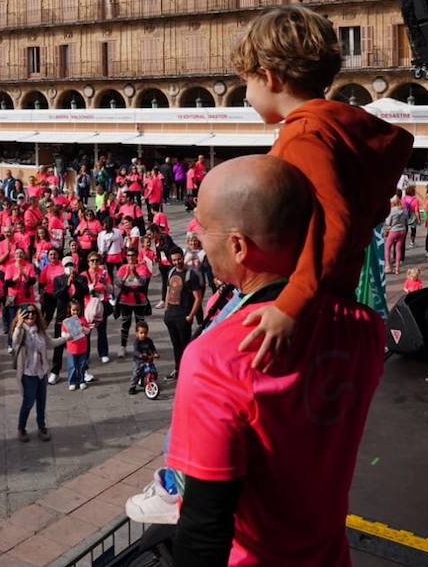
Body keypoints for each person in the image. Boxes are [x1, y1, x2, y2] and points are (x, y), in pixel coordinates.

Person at [163, 154, 384, 565]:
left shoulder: (216, 359)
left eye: (203, 229)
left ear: (238, 246)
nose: (198, 239)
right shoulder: (365, 328)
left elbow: (204, 525)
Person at [229, 6, 412, 370]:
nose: (245, 95)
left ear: (269, 77)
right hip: (333, 293)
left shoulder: (303, 136)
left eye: (245, 82)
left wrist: (291, 304)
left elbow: (334, 224)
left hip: (306, 302)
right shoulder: (337, 128)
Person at [11, 305, 66, 441]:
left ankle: (42, 427)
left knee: (42, 402)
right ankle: (21, 428)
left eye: (33, 312)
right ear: (21, 315)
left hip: (42, 372)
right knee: (28, 402)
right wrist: (18, 324)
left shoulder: (40, 330)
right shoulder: (21, 331)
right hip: (28, 373)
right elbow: (15, 340)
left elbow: (51, 343)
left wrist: (67, 337)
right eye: (27, 313)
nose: (30, 315)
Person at [160, 250, 202, 380]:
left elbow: (198, 298)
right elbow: (168, 291)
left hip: (183, 316)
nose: (177, 262)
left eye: (179, 259)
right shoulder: (171, 271)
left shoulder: (190, 274)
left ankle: (187, 371)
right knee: (175, 345)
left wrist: (190, 316)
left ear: (183, 258)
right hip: (171, 315)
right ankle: (178, 369)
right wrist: (166, 310)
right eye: (174, 260)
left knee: (185, 346)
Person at [127, 322, 159, 395]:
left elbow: (153, 348)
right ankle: (132, 387)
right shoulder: (136, 342)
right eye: (141, 333)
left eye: (145, 333)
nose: (143, 335)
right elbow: (135, 351)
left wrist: (155, 353)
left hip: (148, 359)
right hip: (138, 361)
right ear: (137, 333)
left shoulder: (149, 340)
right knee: (136, 373)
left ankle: (152, 381)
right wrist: (140, 355)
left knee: (153, 370)